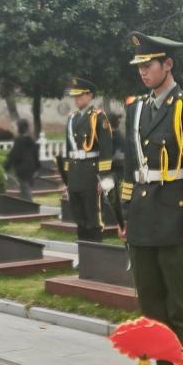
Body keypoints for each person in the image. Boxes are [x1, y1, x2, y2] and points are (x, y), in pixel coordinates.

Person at [120, 32, 183, 365]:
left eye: (149, 65)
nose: (143, 72)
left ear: (168, 64)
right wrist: (125, 214)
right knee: (152, 307)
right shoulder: (136, 108)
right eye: (139, 66)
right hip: (143, 216)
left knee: (182, 308)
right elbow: (130, 166)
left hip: (175, 215)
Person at [63, 77, 113, 242]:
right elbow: (68, 150)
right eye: (74, 96)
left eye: (80, 95)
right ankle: (84, 251)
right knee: (79, 217)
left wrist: (103, 178)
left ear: (90, 95)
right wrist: (66, 179)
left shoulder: (98, 117)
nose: (76, 99)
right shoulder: (72, 118)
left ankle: (95, 250)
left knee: (93, 217)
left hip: (91, 173)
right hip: (75, 172)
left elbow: (106, 150)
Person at [5, 119, 40, 202]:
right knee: (26, 188)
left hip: (22, 168)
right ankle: (27, 203)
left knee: (25, 189)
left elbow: (14, 155)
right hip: (31, 168)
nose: (14, 129)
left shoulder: (19, 140)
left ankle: (29, 205)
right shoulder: (31, 140)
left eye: (15, 127)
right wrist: (37, 168)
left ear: (19, 128)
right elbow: (36, 155)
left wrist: (6, 166)